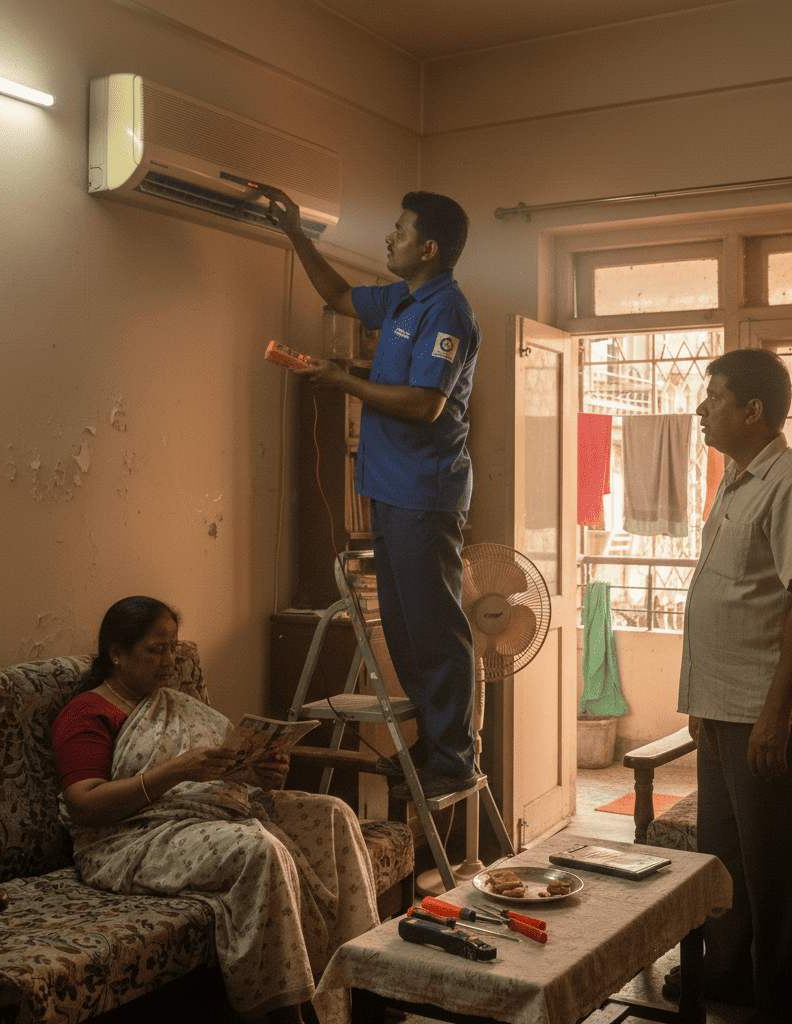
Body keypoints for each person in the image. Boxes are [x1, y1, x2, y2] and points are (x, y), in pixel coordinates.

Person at [52, 596, 379, 1024]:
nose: (169, 661)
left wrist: (258, 772)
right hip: (127, 836)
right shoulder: (87, 713)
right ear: (116, 653)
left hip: (207, 812)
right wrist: (175, 772)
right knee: (258, 850)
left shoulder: (176, 703)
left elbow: (217, 775)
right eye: (156, 650)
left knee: (333, 813)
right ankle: (286, 1015)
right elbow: (84, 805)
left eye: (173, 648)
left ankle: (366, 986)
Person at [261, 186, 481, 801]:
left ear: (428, 248)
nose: (389, 237)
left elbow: (425, 403)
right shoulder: (402, 300)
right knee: (407, 630)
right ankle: (434, 744)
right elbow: (336, 294)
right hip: (387, 488)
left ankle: (455, 755)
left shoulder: (447, 312)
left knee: (435, 626)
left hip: (423, 493)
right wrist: (296, 233)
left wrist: (344, 379)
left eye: (400, 229)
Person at [676, 349, 792, 1024]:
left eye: (711, 397)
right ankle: (727, 976)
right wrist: (698, 706)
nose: (699, 408)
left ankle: (783, 1000)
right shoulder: (733, 480)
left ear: (752, 411)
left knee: (774, 865)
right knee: (722, 857)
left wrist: (775, 715)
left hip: (761, 710)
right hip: (719, 703)